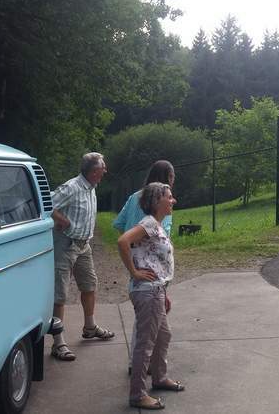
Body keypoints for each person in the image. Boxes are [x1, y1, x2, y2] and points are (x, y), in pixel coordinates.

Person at [118, 182, 184, 410]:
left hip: (156, 290)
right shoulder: (148, 223)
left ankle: (159, 377)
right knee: (145, 345)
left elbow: (155, 260)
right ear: (157, 201)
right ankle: (137, 394)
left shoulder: (157, 224)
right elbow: (123, 240)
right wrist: (134, 272)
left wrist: (163, 290)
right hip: (147, 293)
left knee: (163, 336)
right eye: (169, 196)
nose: (173, 200)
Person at [49, 152, 114, 362]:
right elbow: (47, 203)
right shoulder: (72, 187)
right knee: (60, 293)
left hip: (83, 245)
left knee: (89, 285)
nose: (105, 171)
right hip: (66, 244)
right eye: (102, 168)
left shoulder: (91, 188)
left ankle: (90, 327)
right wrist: (62, 220)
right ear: (94, 171)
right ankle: (58, 343)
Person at [113, 160, 175, 375]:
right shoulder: (159, 208)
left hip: (138, 266)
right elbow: (158, 240)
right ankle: (140, 367)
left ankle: (147, 366)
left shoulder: (134, 197)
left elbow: (119, 225)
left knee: (149, 320)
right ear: (167, 177)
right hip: (150, 274)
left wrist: (133, 252)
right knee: (148, 322)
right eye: (172, 177)